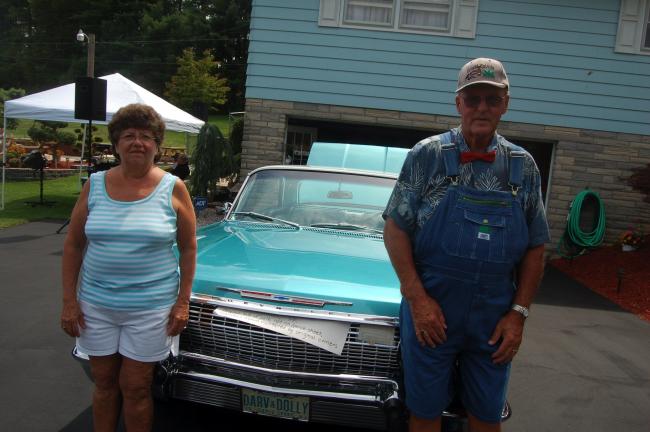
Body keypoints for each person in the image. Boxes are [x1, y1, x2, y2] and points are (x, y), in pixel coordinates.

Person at [383, 58, 549, 432]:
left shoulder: (523, 166)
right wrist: (417, 299)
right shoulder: (426, 156)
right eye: (472, 99)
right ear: (458, 103)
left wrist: (518, 314)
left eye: (491, 99)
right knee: (424, 414)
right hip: (432, 310)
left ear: (505, 103)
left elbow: (536, 247)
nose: (481, 108)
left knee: (488, 416)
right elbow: (395, 230)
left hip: (494, 317)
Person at [60, 103, 197, 432]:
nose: (138, 142)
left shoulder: (173, 187)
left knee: (136, 387)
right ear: (116, 143)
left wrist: (183, 302)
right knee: (104, 384)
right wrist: (69, 301)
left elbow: (188, 246)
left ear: (157, 145)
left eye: (146, 136)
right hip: (96, 306)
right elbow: (74, 245)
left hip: (150, 309)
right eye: (129, 135)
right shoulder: (94, 185)